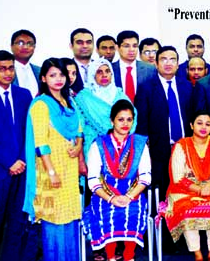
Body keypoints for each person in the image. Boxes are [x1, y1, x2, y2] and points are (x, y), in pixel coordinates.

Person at [23, 58, 84, 261]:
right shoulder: (41, 105)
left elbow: (78, 130)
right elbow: (40, 143)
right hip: (51, 170)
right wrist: (51, 172)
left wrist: (78, 146)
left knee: (70, 220)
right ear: (43, 78)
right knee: (55, 221)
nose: (58, 79)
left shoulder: (70, 101)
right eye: (52, 75)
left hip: (69, 169)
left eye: (61, 75)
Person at [83, 99, 151, 261]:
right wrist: (112, 198)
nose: (125, 124)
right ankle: (111, 257)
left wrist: (128, 197)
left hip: (132, 194)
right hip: (104, 195)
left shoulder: (140, 144)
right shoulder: (98, 144)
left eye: (129, 119)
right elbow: (92, 179)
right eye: (120, 119)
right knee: (107, 214)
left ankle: (129, 256)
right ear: (111, 120)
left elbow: (145, 176)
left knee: (132, 213)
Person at [0, 50, 36, 261]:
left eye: (11, 68)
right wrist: (9, 161)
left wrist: (22, 161)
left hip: (22, 170)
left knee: (17, 223)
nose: (8, 73)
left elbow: (29, 132)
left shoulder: (23, 94)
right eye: (2, 69)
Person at [163, 110, 210, 261]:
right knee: (187, 211)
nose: (204, 127)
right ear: (191, 125)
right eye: (199, 123)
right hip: (183, 191)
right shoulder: (182, 145)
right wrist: (200, 190)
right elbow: (178, 178)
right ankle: (197, 253)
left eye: (208, 124)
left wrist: (209, 186)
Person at [135, 46, 192, 197]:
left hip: (185, 147)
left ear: (178, 64)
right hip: (158, 149)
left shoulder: (187, 86)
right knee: (160, 190)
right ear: (156, 63)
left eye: (172, 59)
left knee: (184, 189)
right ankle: (160, 219)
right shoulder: (145, 88)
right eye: (163, 59)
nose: (168, 63)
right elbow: (142, 122)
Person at [76, 58, 135, 157]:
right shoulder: (83, 98)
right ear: (92, 75)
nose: (104, 75)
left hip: (121, 146)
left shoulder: (120, 94)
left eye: (107, 71)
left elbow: (133, 118)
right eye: (99, 72)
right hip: (93, 146)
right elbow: (80, 126)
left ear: (111, 74)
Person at [112, 30, 157, 103]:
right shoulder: (110, 70)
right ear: (117, 48)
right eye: (126, 46)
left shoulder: (150, 70)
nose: (131, 50)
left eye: (135, 46)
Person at [10, 29, 40, 97]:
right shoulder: (1, 70)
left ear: (34, 47)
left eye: (30, 44)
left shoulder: (40, 71)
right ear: (11, 46)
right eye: (20, 43)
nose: (25, 47)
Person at [70, 28, 95, 93]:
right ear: (71, 46)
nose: (85, 46)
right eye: (80, 42)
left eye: (89, 42)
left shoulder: (103, 68)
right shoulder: (63, 69)